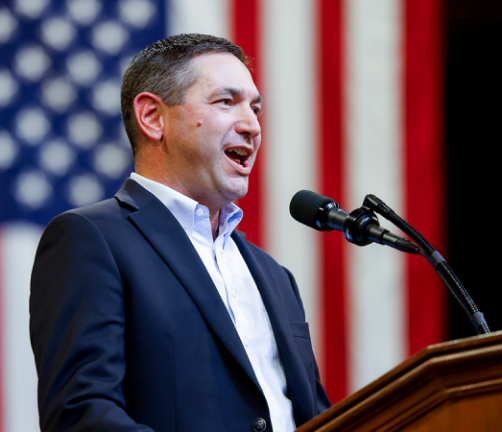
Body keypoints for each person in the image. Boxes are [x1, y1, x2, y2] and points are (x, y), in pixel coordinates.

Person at [30, 33, 330, 432]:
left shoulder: (275, 276)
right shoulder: (91, 240)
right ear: (153, 118)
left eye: (255, 108)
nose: (252, 126)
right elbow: (81, 415)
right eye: (226, 102)